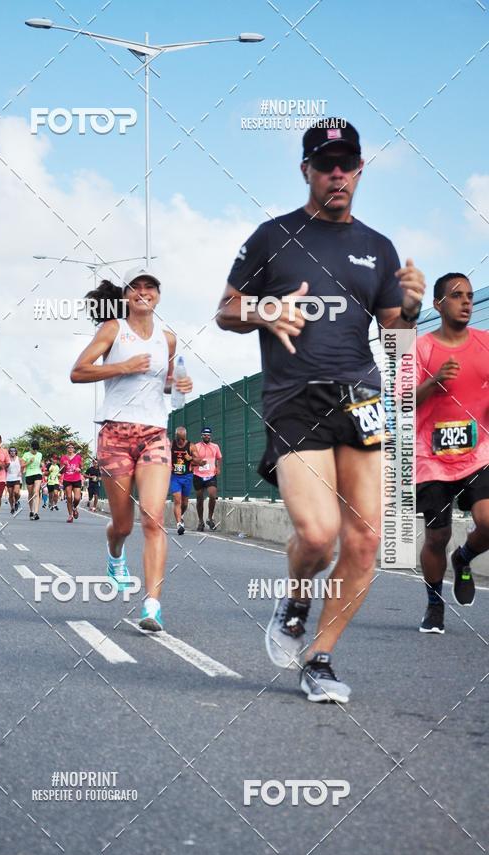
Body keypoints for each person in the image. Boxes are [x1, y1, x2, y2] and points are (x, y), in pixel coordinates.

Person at [216, 119, 425, 703]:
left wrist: (408, 304)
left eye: (347, 163)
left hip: (362, 396)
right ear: (305, 170)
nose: (338, 173)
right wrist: (264, 312)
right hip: (294, 396)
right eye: (325, 163)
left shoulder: (378, 247)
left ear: (359, 170)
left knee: (364, 540)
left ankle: (321, 657)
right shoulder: (271, 236)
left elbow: (396, 331)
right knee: (318, 534)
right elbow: (226, 310)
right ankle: (296, 599)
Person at [71, 266, 192, 631]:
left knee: (153, 518)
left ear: (158, 294)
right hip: (115, 434)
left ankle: (152, 604)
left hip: (155, 434)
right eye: (135, 287)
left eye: (150, 286)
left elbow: (169, 386)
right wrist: (122, 366)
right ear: (125, 295)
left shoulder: (168, 339)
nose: (143, 292)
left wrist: (179, 383)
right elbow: (78, 371)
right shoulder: (113, 330)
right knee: (122, 525)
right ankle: (114, 554)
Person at [415, 273, 489, 634]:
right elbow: (402, 402)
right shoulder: (421, 348)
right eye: (456, 296)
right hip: (431, 458)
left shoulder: (486, 342)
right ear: (438, 304)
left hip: (478, 452)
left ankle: (464, 558)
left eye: (470, 296)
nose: (466, 302)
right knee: (436, 537)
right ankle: (434, 603)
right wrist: (433, 381)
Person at [192, 427, 222, 532]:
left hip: (210, 475)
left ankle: (210, 518)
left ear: (211, 436)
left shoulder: (215, 447)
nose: (207, 437)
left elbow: (219, 458)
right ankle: (200, 521)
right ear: (201, 436)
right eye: (205, 435)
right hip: (198, 475)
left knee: (212, 496)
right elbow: (191, 460)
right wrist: (198, 463)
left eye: (208, 435)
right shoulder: (196, 447)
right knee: (200, 499)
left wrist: (218, 468)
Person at [60, 442, 83, 523]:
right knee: (69, 497)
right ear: (66, 449)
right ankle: (70, 515)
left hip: (76, 479)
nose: (70, 449)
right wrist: (64, 465)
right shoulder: (63, 458)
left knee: (77, 498)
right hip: (67, 479)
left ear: (74, 449)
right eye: (68, 447)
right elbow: (61, 471)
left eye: (72, 447)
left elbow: (81, 468)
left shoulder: (78, 457)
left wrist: (79, 469)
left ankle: (74, 507)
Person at [21, 440, 43, 520]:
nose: (35, 451)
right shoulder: (26, 454)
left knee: (36, 492)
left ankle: (36, 512)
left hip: (38, 474)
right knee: (30, 493)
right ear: (31, 448)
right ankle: (31, 511)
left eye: (36, 449)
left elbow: (39, 463)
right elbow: (22, 465)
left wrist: (41, 465)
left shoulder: (40, 454)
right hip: (29, 474)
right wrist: (29, 462)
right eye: (33, 449)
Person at [6, 447, 22, 514]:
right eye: (11, 451)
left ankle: (16, 502)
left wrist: (21, 472)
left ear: (16, 452)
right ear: (9, 452)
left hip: (17, 478)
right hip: (9, 478)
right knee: (10, 494)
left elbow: (24, 466)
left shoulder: (19, 459)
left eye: (14, 451)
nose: (12, 452)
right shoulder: (7, 460)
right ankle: (12, 507)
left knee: (16, 493)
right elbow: (3, 467)